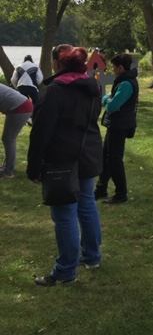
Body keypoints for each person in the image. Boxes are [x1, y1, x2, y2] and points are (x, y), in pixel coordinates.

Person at [26, 45, 103, 286]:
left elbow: (41, 132)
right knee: (86, 204)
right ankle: (91, 256)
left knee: (65, 213)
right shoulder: (93, 87)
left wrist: (33, 166)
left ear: (58, 64)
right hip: (88, 154)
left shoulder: (55, 91)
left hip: (63, 159)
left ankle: (66, 270)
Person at [95, 53, 138, 204]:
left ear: (121, 67)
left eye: (113, 66)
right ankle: (101, 189)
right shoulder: (123, 81)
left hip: (120, 125)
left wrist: (107, 100)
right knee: (105, 156)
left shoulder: (126, 83)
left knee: (114, 160)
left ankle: (121, 194)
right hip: (115, 124)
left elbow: (112, 106)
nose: (112, 69)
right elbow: (109, 98)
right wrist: (108, 98)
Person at [0, 84, 33, 179]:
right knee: (8, 139)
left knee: (8, 139)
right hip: (20, 106)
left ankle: (8, 170)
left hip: (20, 108)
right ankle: (7, 166)